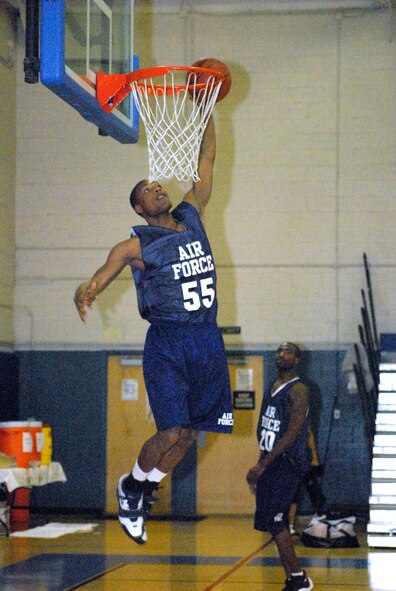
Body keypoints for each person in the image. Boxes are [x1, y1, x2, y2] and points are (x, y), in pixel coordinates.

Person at [74, 116, 233, 545]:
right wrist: (88, 289)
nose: (156, 188)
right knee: (168, 430)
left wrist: (207, 106)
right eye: (146, 191)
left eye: (156, 184)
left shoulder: (192, 214)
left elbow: (208, 157)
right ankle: (132, 486)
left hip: (207, 337)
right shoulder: (137, 244)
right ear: (139, 209)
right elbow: (105, 271)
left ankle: (139, 487)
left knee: (188, 435)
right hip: (168, 340)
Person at [247, 342, 314, 591]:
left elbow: (293, 433)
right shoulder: (272, 386)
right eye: (278, 350)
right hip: (270, 462)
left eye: (287, 351)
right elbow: (267, 430)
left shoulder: (298, 390)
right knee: (272, 523)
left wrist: (263, 465)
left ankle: (299, 577)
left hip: (287, 463)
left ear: (297, 359)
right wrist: (260, 463)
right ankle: (293, 578)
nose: (281, 354)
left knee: (277, 521)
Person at [289, 424, 326, 536]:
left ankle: (320, 514)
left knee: (312, 489)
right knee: (293, 496)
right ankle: (289, 526)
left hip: (303, 462)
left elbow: (310, 436)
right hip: (291, 462)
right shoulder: (286, 420)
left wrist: (314, 457)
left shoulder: (304, 421)